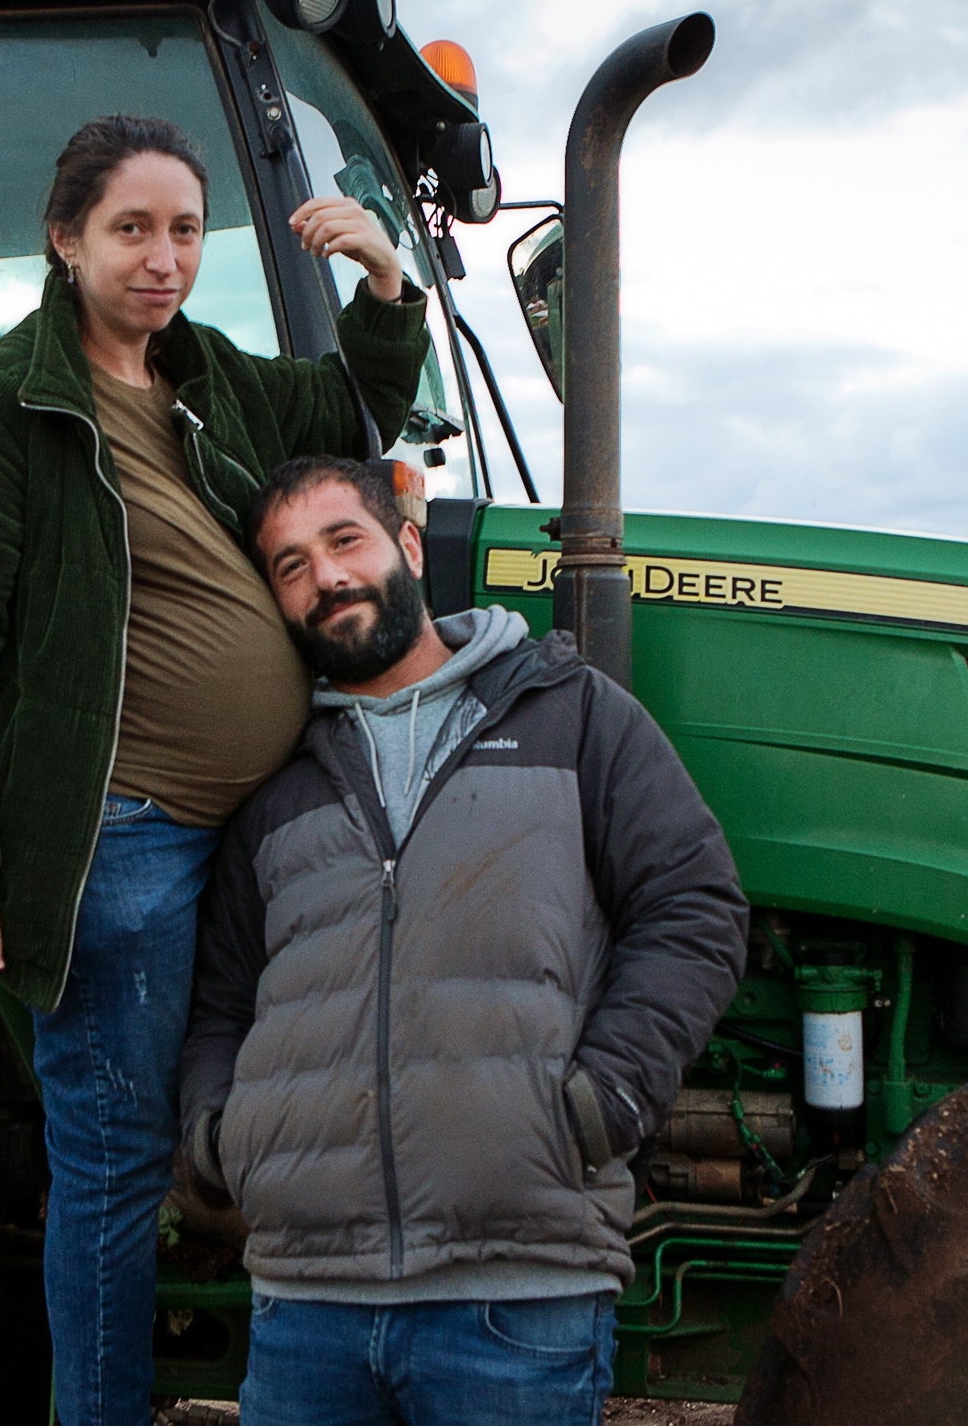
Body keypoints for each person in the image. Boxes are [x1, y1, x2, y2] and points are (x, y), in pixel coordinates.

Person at [0, 116, 431, 1426]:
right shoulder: (1, 408)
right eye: (133, 227)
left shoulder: (210, 376)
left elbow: (353, 413)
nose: (164, 255)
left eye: (185, 228)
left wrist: (387, 287)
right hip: (122, 839)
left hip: (264, 828)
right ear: (65, 239)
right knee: (117, 1162)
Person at [179, 455, 751, 1426]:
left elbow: (691, 904)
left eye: (342, 540)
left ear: (407, 544)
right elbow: (223, 1002)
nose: (324, 578)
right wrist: (218, 1143)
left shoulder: (571, 717)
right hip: (306, 1305)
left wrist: (603, 1099)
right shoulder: (276, 787)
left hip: (514, 1298)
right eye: (289, 566)